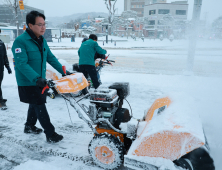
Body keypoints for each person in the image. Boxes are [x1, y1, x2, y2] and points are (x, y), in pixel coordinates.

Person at [12, 11, 66, 143]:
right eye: (39, 24)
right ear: (30, 25)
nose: (43, 27)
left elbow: (50, 58)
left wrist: (64, 72)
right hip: (29, 81)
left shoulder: (41, 40)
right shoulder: (20, 42)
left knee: (34, 103)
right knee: (39, 104)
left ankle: (29, 126)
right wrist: (36, 78)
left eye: (44, 24)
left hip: (39, 80)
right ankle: (51, 134)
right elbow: (21, 64)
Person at [0, 29, 12, 110]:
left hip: (0, 69)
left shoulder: (1, 43)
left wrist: (7, 66)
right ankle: (1, 101)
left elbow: (4, 56)